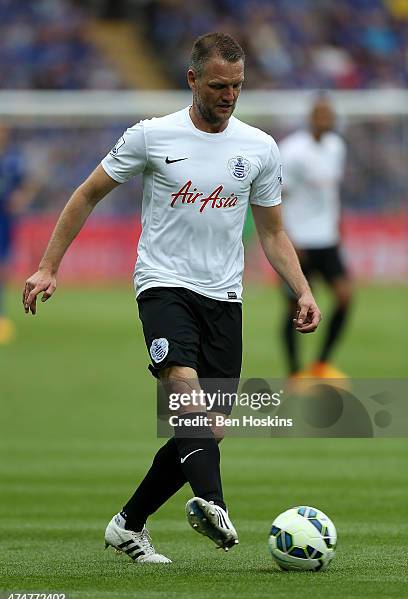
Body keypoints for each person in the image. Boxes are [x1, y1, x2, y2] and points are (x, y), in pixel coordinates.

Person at [23, 32, 321, 564]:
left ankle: (128, 524)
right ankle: (213, 502)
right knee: (181, 388)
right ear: (192, 80)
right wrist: (48, 265)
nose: (229, 95)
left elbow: (273, 232)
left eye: (237, 86)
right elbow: (88, 192)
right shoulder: (150, 136)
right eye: (218, 85)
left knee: (210, 428)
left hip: (224, 296)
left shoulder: (259, 148)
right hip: (162, 283)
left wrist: (301, 289)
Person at [279, 97, 352, 378]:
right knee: (293, 308)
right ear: (309, 117)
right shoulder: (292, 151)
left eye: (329, 114)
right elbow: (278, 197)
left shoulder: (336, 147)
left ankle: (321, 363)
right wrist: (288, 239)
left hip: (327, 238)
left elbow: (330, 193)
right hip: (299, 241)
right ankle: (294, 372)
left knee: (344, 297)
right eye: (320, 114)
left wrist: (337, 225)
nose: (325, 119)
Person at [0, 124, 33, 344]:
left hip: (4, 219)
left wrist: (21, 198)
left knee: (3, 267)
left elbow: (26, 184)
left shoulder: (13, 161)